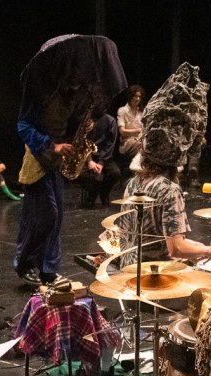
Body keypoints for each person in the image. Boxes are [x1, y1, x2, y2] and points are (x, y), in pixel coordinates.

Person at [15, 34, 127, 285]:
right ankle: (26, 263)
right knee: (45, 215)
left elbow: (73, 125)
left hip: (57, 161)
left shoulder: (80, 95)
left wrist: (85, 127)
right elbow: (23, 125)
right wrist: (50, 145)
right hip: (39, 159)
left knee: (56, 219)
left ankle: (48, 271)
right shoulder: (46, 93)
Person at [118, 63, 211, 266]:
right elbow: (176, 249)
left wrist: (203, 248)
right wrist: (209, 252)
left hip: (130, 270)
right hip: (155, 275)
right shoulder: (169, 190)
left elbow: (154, 239)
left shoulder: (133, 184)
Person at [78, 112, 121, 208]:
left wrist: (101, 162)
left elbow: (110, 144)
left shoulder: (110, 120)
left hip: (104, 157)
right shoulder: (86, 119)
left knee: (115, 173)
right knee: (83, 175)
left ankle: (102, 193)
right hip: (87, 157)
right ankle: (93, 194)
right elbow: (82, 142)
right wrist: (89, 160)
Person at [115, 84, 144, 175]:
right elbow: (122, 131)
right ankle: (136, 167)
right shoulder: (122, 110)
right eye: (135, 96)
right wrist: (137, 131)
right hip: (127, 143)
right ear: (130, 96)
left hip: (140, 140)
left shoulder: (142, 112)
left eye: (139, 97)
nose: (138, 99)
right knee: (142, 146)